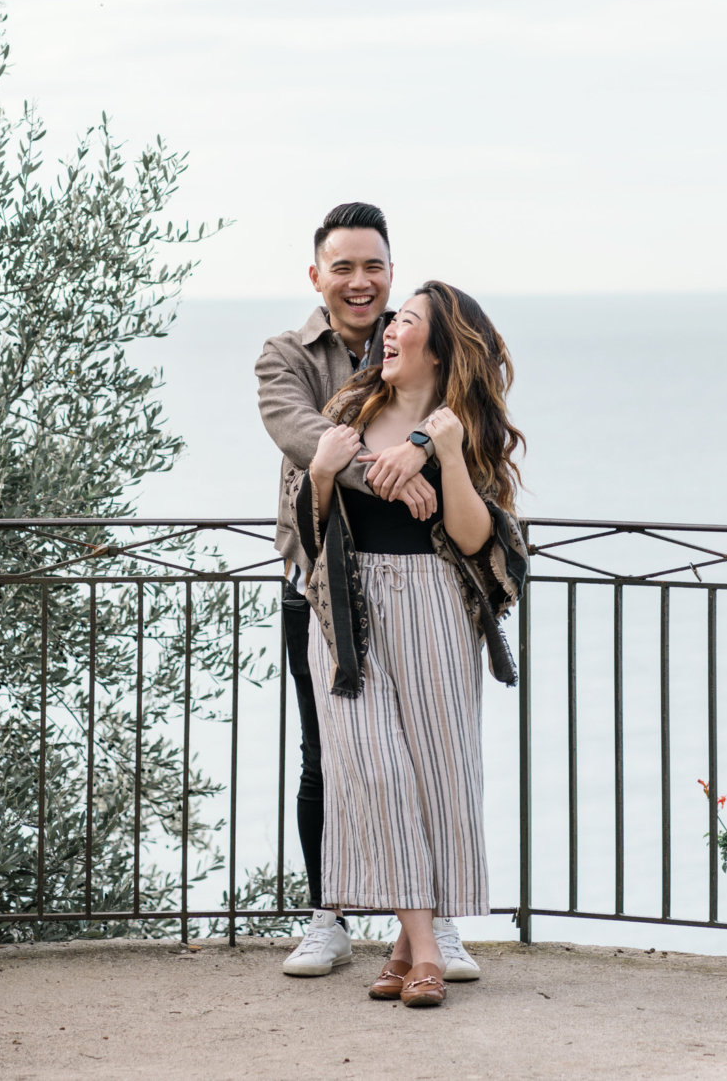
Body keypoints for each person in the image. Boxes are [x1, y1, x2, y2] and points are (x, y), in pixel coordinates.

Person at [282, 280, 527, 1008]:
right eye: (391, 323)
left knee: (435, 778)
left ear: (442, 346)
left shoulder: (464, 427)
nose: (389, 330)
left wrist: (443, 457)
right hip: (348, 615)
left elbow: (477, 539)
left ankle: (399, 952)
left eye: (407, 322)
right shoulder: (346, 414)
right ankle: (426, 954)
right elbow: (308, 529)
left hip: (433, 609)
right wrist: (325, 471)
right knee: (377, 773)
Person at [255, 205, 480, 981]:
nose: (360, 282)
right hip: (319, 587)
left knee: (427, 755)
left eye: (373, 266)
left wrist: (420, 449)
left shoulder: (418, 341)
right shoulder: (284, 355)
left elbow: (465, 417)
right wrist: (391, 477)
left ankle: (432, 927)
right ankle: (329, 913)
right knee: (329, 758)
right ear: (315, 276)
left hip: (419, 594)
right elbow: (303, 434)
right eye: (342, 267)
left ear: (390, 270)